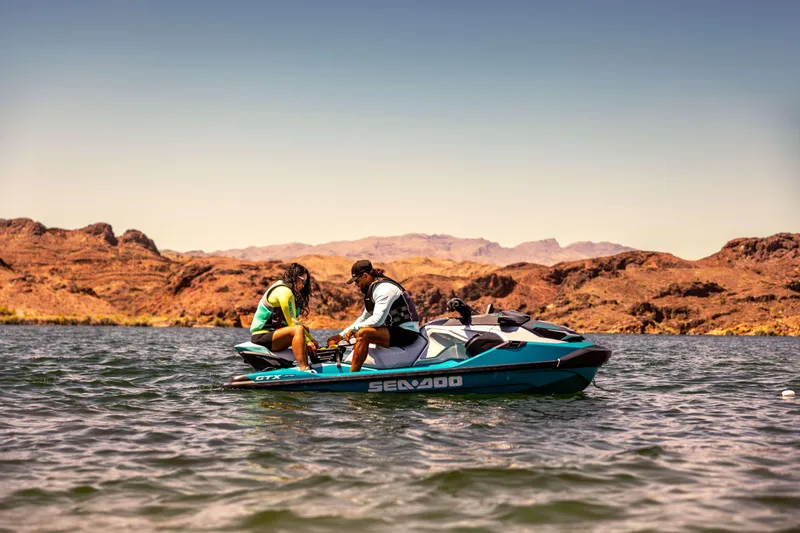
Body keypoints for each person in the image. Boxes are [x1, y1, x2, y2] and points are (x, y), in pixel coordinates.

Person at [327, 260, 420, 372]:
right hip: (393, 330)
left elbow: (377, 320)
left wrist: (355, 329)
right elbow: (363, 318)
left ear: (365, 275)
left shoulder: (384, 289)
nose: (356, 285)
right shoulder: (373, 290)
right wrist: (341, 336)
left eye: (357, 281)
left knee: (363, 333)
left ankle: (352, 375)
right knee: (359, 333)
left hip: (407, 332)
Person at [250, 262, 318, 371]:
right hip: (262, 337)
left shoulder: (289, 291)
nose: (303, 285)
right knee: (298, 330)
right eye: (302, 280)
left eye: (306, 282)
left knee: (304, 329)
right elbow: (292, 322)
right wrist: (310, 341)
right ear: (294, 277)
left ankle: (310, 365)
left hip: (274, 335)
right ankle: (304, 368)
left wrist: (311, 340)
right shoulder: (284, 291)